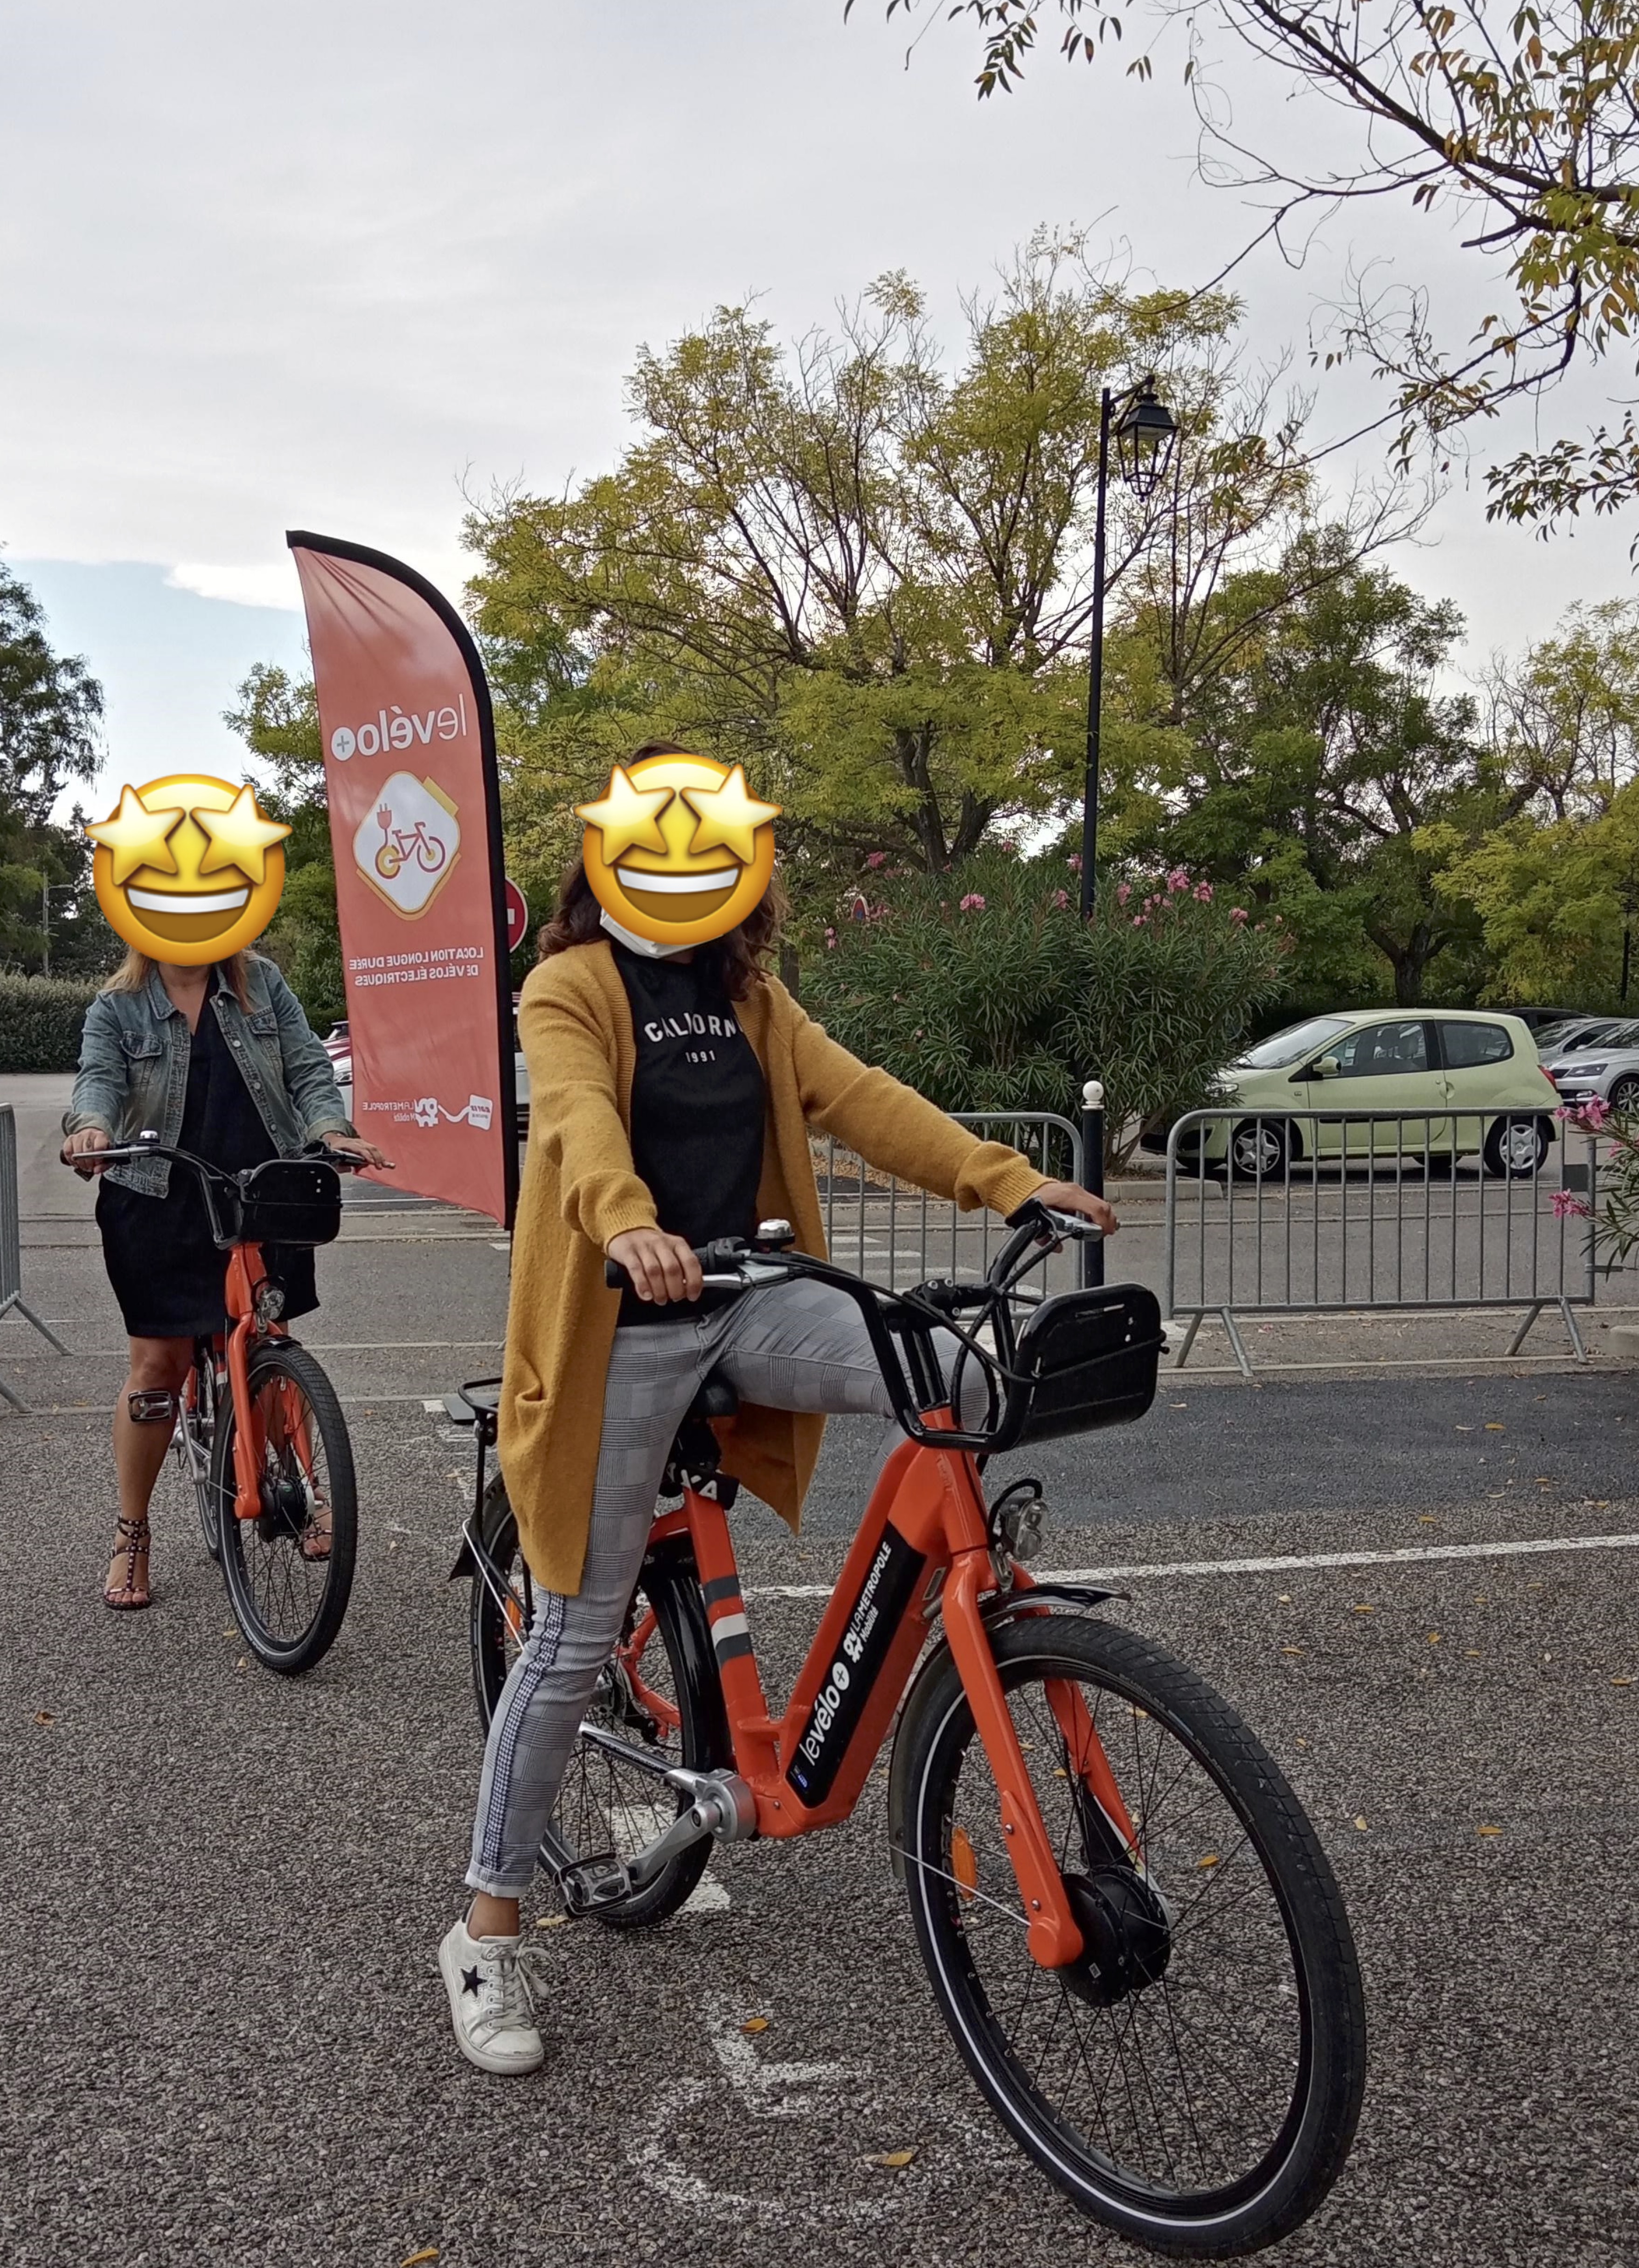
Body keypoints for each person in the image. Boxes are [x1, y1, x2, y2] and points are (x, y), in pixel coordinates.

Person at [438, 747, 1116, 2075]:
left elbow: (859, 1099)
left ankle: (978, 1598)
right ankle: (486, 1930)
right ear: (600, 859)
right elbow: (576, 1122)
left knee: (962, 1377)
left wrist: (1009, 1180)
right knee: (572, 1634)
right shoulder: (567, 985)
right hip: (618, 1324)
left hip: (744, 1300)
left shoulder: (750, 997)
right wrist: (630, 1226)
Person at [63, 947, 390, 1609]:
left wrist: (331, 1129)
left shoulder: (262, 981)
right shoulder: (119, 1002)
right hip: (157, 1196)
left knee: (268, 1336)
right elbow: (98, 1079)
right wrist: (92, 1128)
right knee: (159, 1365)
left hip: (260, 1191)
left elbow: (307, 1068)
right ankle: (133, 1533)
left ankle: (300, 1485)